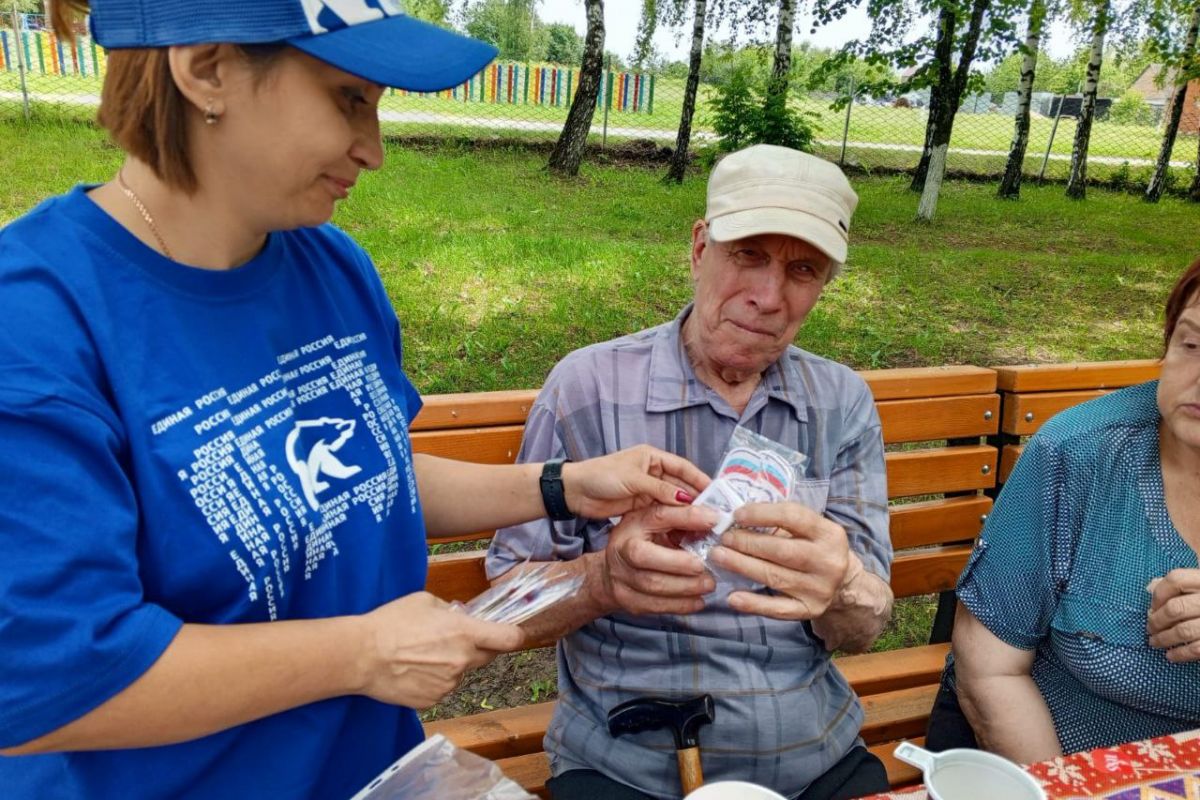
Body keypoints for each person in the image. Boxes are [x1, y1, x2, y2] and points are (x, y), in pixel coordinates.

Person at [0, 2, 714, 798]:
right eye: (348, 99)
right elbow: (51, 683)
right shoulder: (35, 322)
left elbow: (364, 475)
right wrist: (361, 654)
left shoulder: (330, 266)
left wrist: (563, 485)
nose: (373, 149)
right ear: (205, 69)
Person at [487, 145, 896, 800]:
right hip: (630, 759)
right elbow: (506, 601)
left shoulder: (840, 403)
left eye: (802, 269)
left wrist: (843, 585)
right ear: (700, 248)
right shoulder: (589, 387)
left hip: (815, 755)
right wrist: (604, 581)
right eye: (748, 255)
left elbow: (865, 624)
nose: (768, 297)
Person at [928, 257, 1200, 763]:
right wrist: (1070, 789)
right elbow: (989, 667)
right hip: (1054, 760)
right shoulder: (1080, 451)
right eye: (1191, 345)